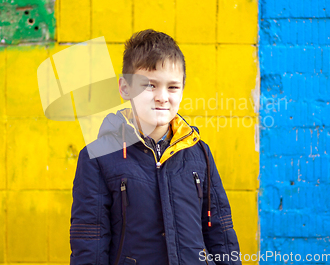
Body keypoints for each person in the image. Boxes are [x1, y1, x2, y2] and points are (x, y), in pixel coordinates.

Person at [70, 29, 241, 265]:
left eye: (172, 87)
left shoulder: (200, 153)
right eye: (150, 85)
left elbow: (220, 232)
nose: (162, 97)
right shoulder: (97, 157)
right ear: (125, 88)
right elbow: (90, 242)